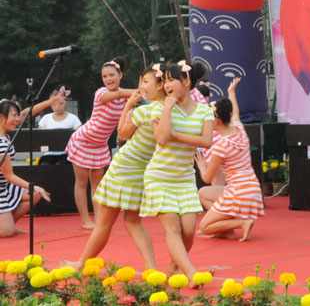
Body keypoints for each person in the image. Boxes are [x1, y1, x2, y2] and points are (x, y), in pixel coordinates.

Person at [62, 66, 167, 270]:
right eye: (104, 76)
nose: (141, 85)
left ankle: (80, 264)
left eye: (145, 82)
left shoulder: (145, 110)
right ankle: (151, 268)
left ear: (161, 85)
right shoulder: (171, 111)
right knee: (133, 222)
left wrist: (129, 104)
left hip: (123, 168)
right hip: (140, 170)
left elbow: (122, 133)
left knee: (104, 223)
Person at [140, 60, 214, 280]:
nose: (167, 85)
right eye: (165, 81)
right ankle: (192, 273)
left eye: (172, 80)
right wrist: (168, 108)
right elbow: (162, 139)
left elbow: (206, 141)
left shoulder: (204, 111)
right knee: (172, 228)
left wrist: (176, 135)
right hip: (159, 177)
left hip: (185, 179)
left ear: (187, 82)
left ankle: (173, 268)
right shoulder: (160, 107)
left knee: (189, 232)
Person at [66, 58, 135, 229]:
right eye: (105, 76)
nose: (108, 79)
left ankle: (99, 220)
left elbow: (127, 114)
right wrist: (139, 90)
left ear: (120, 75)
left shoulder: (126, 99)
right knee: (82, 183)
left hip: (100, 145)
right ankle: (85, 220)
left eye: (112, 75)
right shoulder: (101, 92)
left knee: (97, 184)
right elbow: (118, 94)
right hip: (82, 141)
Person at [195, 78, 264, 241]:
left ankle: (242, 223)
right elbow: (235, 112)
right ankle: (226, 229)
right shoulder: (239, 129)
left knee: (205, 227)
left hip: (238, 193)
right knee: (203, 193)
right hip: (252, 189)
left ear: (217, 119)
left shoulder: (221, 146)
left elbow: (207, 178)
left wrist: (202, 166)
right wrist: (231, 91)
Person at [0, 100, 51, 237]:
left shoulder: (4, 131)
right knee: (7, 232)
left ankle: (7, 223)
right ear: (1, 116)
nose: (17, 119)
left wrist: (50, 102)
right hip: (2, 186)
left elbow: (25, 114)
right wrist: (35, 186)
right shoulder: (1, 145)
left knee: (34, 194)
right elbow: (9, 175)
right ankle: (5, 226)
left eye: (17, 116)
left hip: (4, 186)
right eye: (14, 116)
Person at [38, 85, 81, 164]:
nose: (57, 106)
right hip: (49, 154)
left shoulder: (73, 119)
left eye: (61, 103)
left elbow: (80, 136)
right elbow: (40, 137)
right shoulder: (45, 118)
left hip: (67, 154)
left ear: (66, 102)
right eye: (54, 104)